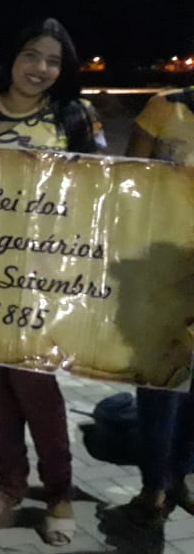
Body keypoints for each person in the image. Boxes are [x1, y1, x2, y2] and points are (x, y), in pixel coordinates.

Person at [0, 17, 106, 547]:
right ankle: (11, 482)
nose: (41, 68)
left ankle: (58, 491)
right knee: (3, 376)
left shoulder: (75, 116)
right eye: (32, 55)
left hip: (49, 273)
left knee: (34, 380)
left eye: (54, 61)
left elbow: (102, 190)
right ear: (12, 57)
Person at [116, 85, 194, 528]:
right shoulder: (165, 107)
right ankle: (153, 485)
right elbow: (132, 184)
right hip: (160, 266)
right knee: (159, 382)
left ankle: (181, 473)